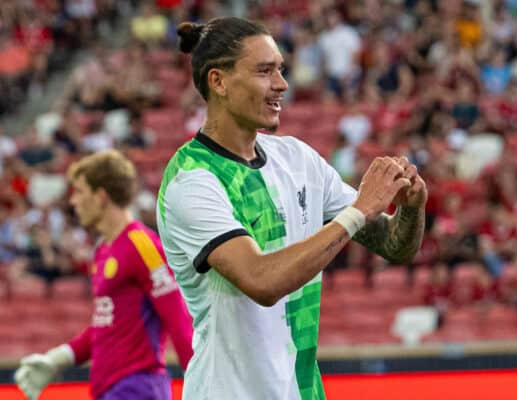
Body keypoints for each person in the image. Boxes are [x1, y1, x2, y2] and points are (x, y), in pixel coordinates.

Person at [157, 17, 427, 400]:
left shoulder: (297, 158)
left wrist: (413, 206)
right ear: (218, 82)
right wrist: (359, 210)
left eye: (280, 70)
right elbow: (261, 281)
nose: (282, 84)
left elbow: (394, 246)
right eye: (265, 71)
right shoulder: (192, 180)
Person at [15, 150, 193, 400]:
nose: (73, 201)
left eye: (79, 191)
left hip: (138, 388)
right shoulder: (104, 250)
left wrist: (201, 386)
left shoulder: (141, 245)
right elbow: (107, 325)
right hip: (112, 390)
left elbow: (178, 318)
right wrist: (58, 358)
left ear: (100, 196)